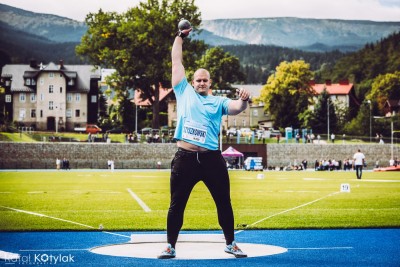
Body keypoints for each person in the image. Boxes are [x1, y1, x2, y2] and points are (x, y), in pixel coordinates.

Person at [158, 24, 249, 259]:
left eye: (204, 80)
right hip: (185, 159)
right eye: (197, 80)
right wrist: (179, 37)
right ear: (193, 81)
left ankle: (231, 243)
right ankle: (170, 246)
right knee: (176, 205)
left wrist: (245, 102)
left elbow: (237, 108)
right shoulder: (182, 90)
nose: (200, 83)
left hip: (211, 159)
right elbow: (176, 62)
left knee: (224, 203)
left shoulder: (218, 102)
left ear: (209, 82)